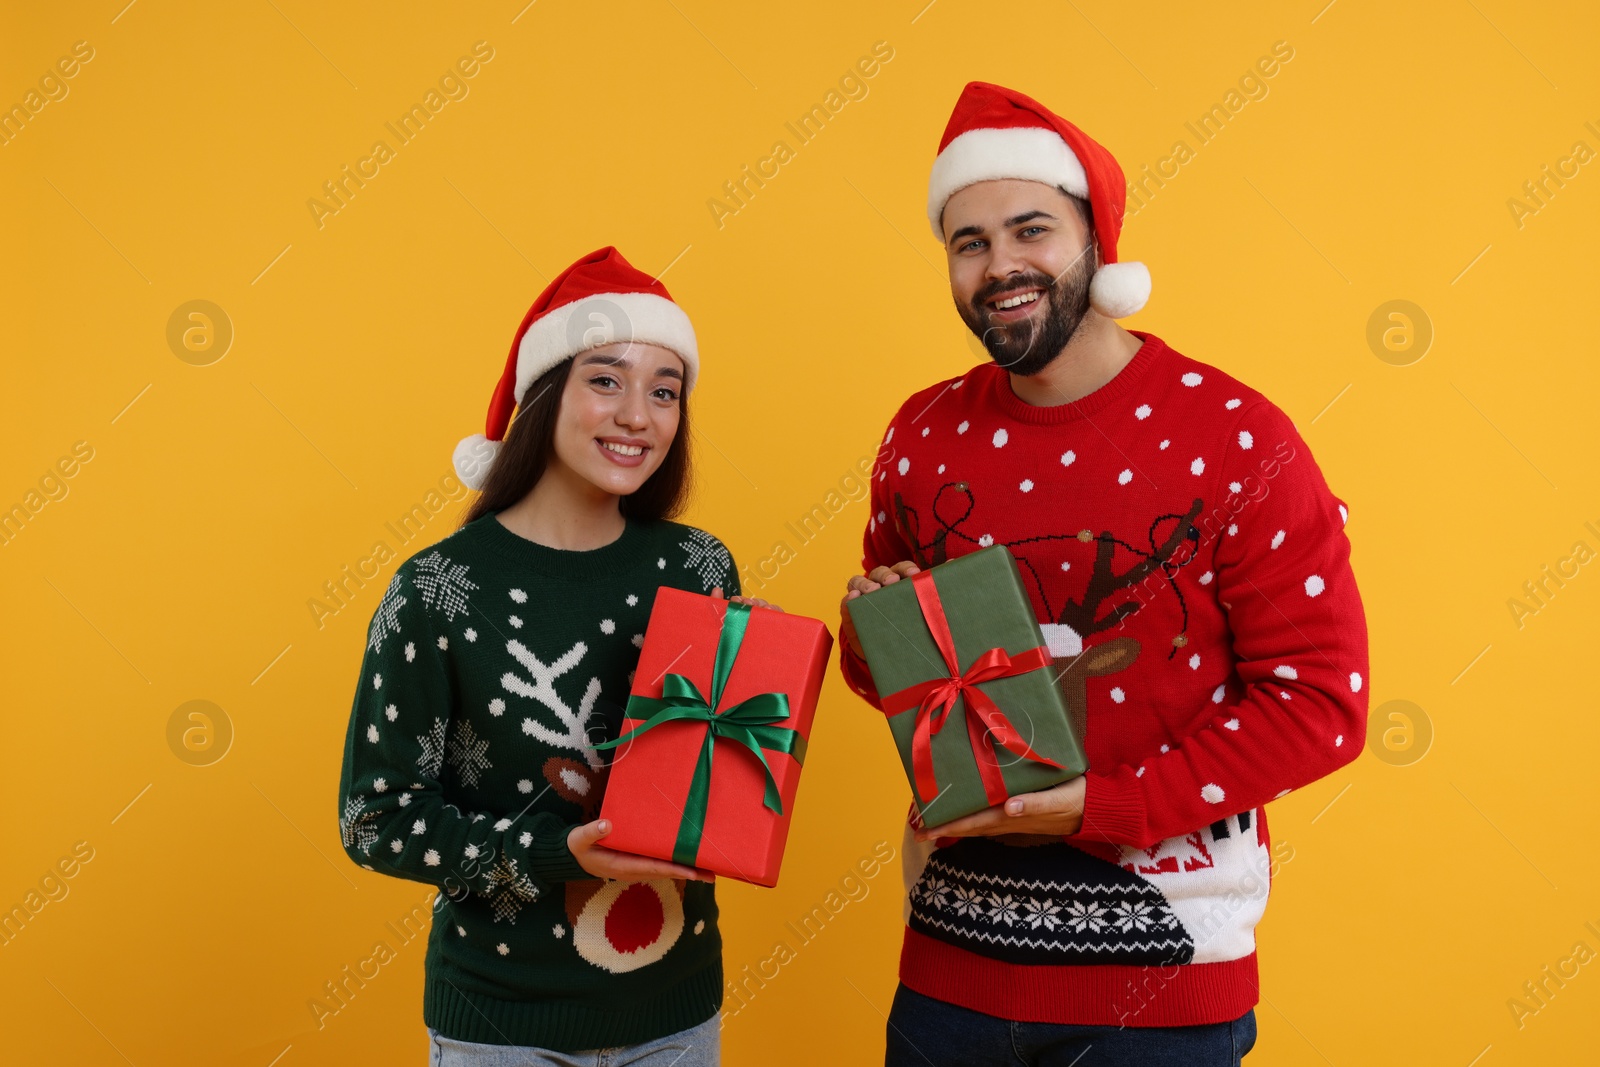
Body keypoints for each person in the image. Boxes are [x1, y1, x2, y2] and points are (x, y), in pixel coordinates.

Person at [837, 82, 1369, 1066]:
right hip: (950, 973)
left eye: (1029, 228)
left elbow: (1321, 702)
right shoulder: (919, 436)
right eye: (968, 241)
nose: (1000, 265)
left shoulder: (1238, 437)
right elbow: (892, 684)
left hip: (1162, 994)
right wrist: (874, 634)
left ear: (1096, 236)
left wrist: (1098, 806)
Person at [338, 246, 772, 1065]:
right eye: (606, 379)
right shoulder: (438, 589)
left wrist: (758, 683)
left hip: (674, 1017)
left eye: (665, 390)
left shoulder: (698, 567)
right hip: (500, 1024)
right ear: (546, 395)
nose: (639, 415)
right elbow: (375, 818)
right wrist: (549, 852)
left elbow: (712, 793)